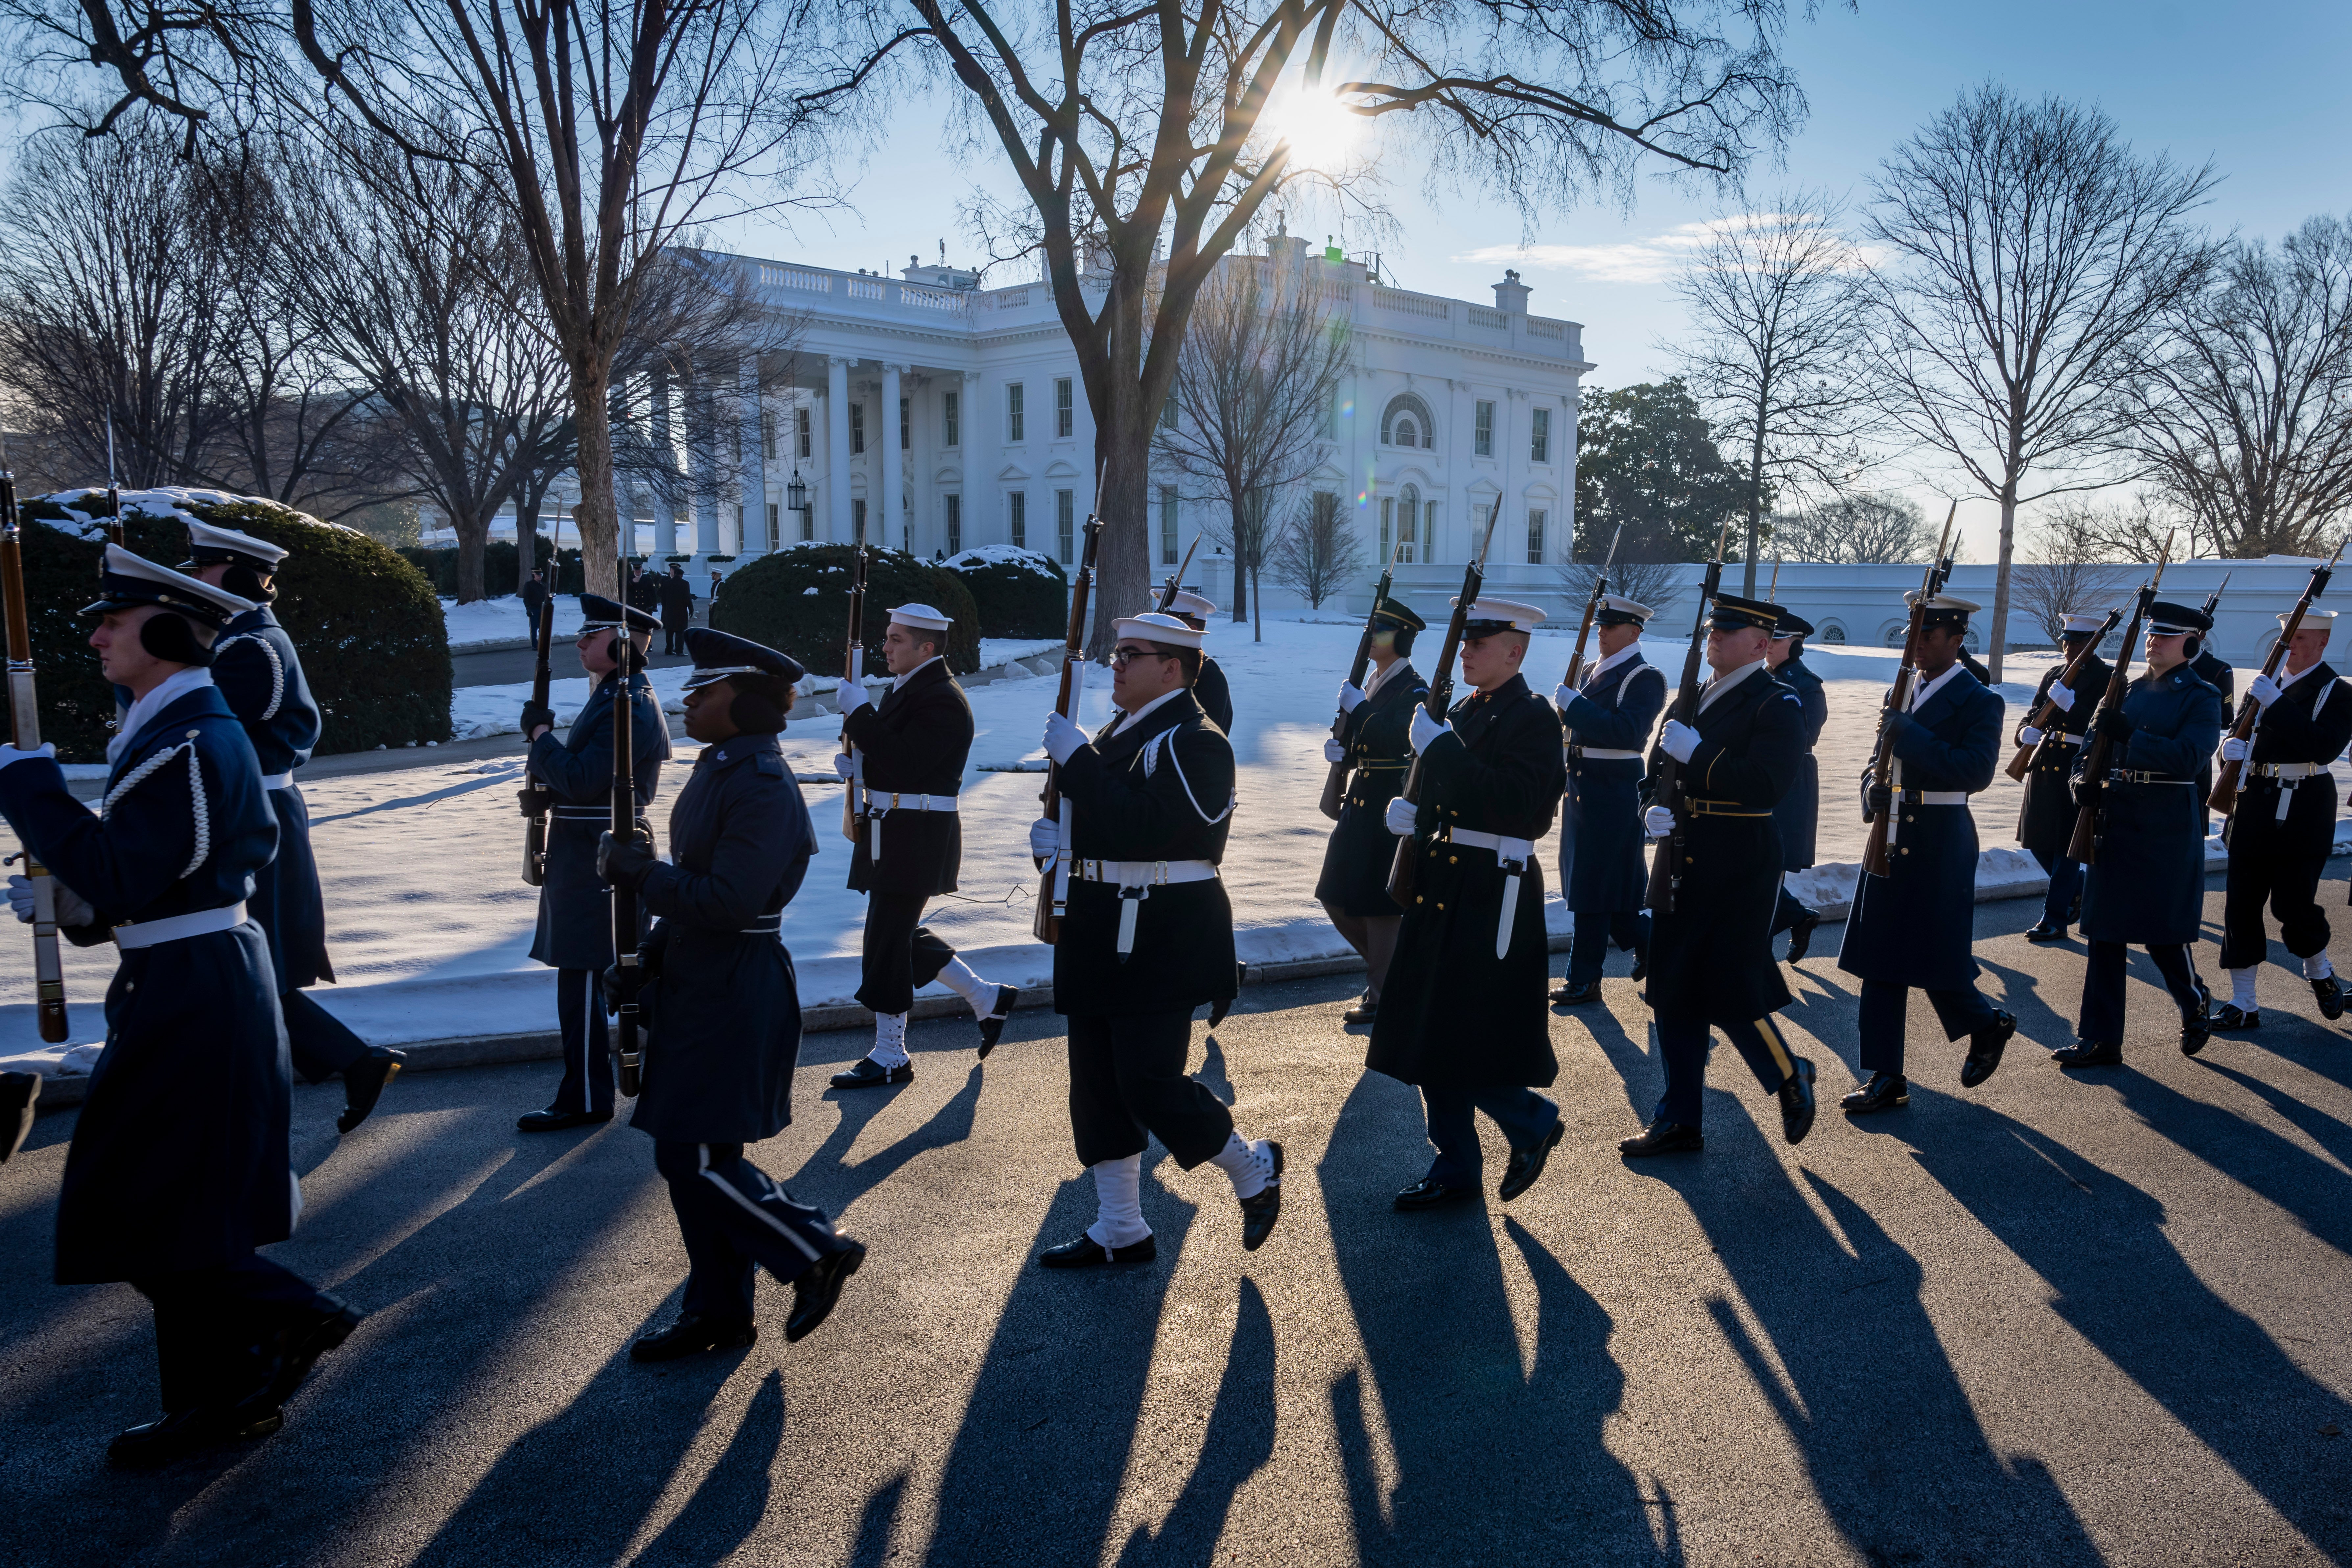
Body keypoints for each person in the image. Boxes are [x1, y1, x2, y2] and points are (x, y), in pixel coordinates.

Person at [0, 547, 362, 1468]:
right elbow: (146, 876)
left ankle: (289, 1317)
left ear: (165, 630)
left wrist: (34, 793)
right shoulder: (174, 729)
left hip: (196, 985)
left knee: (136, 1200)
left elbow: (127, 870)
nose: (94, 638)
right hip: (181, 973)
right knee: (177, 1202)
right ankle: (220, 1396)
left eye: (111, 623)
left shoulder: (197, 736)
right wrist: (77, 900)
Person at [599, 628, 867, 1358]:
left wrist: (641, 876)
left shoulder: (760, 786)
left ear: (745, 705)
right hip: (698, 974)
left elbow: (726, 900)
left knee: (694, 1161)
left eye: (705, 692)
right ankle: (718, 1312)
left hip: (732, 982)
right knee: (695, 1158)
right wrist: (647, 955)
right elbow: (696, 890)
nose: (688, 703)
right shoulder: (721, 769)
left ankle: (813, 1248)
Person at [1028, 610, 1281, 1266]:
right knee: (1095, 1085)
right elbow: (1099, 820)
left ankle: (1250, 1166)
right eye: (1113, 653)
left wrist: (1077, 761)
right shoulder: (1122, 732)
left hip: (1162, 930)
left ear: (1171, 667)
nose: (1113, 663)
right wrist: (1055, 846)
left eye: (1128, 654)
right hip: (1095, 922)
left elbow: (1149, 827)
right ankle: (1121, 1226)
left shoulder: (1199, 742)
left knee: (1147, 1080)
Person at [183, 520, 402, 1134]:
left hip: (259, 812)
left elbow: (204, 726)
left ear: (229, 573)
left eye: (201, 569)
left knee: (254, 961)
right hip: (256, 808)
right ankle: (354, 1062)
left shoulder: (249, 646)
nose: (192, 578)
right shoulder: (241, 638)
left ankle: (336, 1068)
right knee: (251, 962)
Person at [1369, 598, 1569, 1209]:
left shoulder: (1533, 717)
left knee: (1464, 1027)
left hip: (1493, 886)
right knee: (1430, 1026)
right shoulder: (1461, 709)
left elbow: (1516, 804)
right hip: (1444, 878)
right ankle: (1456, 1161)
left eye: (1481, 642)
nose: (1467, 650)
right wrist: (1412, 813)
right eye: (1466, 641)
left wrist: (1442, 752)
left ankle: (1528, 1117)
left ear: (1516, 650)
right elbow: (1447, 797)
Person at [1620, 592, 1817, 1158]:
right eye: (1712, 631)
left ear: (1760, 644)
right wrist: (1649, 809)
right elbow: (1652, 775)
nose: (1714, 639)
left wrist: (1701, 753)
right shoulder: (1688, 698)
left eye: (1727, 633)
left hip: (1740, 856)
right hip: (1683, 853)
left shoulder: (1777, 703)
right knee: (1673, 989)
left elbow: (1766, 785)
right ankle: (1679, 1118)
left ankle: (1788, 1074)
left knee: (1728, 984)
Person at [1835, 595, 2019, 1111]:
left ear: (1957, 640)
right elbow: (1878, 761)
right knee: (1881, 958)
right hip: (1890, 832)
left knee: (1936, 955)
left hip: (1940, 834)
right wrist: (1870, 787)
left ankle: (1987, 1024)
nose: (1916, 646)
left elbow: (1975, 771)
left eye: (1929, 636)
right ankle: (1885, 1074)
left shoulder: (1981, 700)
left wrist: (1909, 733)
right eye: (1912, 635)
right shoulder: (1905, 688)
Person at [830, 603, 1017, 1089]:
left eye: (895, 639)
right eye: (887, 637)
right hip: (891, 829)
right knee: (894, 933)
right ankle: (985, 997)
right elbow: (892, 755)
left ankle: (892, 1054)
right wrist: (860, 768)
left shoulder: (942, 698)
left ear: (926, 647)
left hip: (917, 835)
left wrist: (861, 714)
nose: (885, 647)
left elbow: (908, 760)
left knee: (886, 940)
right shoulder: (912, 688)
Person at [515, 593, 670, 1130]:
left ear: (622, 642)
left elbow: (585, 778)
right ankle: (607, 1087)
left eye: (593, 634)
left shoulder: (627, 700)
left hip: (597, 855)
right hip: (585, 848)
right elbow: (583, 781)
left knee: (586, 976)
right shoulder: (612, 695)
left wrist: (541, 740)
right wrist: (546, 794)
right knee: (589, 976)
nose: (580, 642)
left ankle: (586, 1096)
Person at [2057, 600, 2225, 1067]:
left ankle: (2193, 1003)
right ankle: (2100, 1037)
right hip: (2116, 816)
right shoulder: (2125, 689)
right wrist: (2080, 785)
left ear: (2191, 643)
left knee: (2163, 932)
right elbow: (2088, 749)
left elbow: (2189, 758)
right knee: (2105, 934)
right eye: (2153, 634)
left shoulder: (2201, 696)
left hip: (2164, 821)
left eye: (2167, 636)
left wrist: (2130, 735)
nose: (2154, 641)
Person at [2211, 611, 2352, 1030]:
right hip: (2253, 799)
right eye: (2286, 638)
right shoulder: (2263, 684)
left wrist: (2278, 704)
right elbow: (2238, 735)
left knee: (2293, 903)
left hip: (2305, 803)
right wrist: (2228, 752)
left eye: (2300, 639)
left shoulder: (2337, 692)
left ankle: (2320, 969)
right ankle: (2243, 1002)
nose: (2289, 646)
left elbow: (2324, 747)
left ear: (2323, 644)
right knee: (2241, 903)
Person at [1313, 597, 1428, 1026]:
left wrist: (1359, 709)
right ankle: (1396, 973)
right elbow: (1365, 738)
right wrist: (1341, 749)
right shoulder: (1377, 681)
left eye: (1378, 631)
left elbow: (1397, 738)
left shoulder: (1415, 689)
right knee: (1334, 892)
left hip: (1387, 807)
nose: (1369, 638)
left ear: (1398, 638)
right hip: (1359, 802)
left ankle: (1382, 993)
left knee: (1380, 907)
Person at [1548, 594, 1661, 1007]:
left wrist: (1575, 707)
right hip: (1582, 785)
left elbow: (1626, 732)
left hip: (1615, 788)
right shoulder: (1590, 670)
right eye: (1600, 626)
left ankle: (1584, 979)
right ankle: (1651, 941)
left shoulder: (1644, 677)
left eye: (1610, 627)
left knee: (1595, 889)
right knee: (1593, 885)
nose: (1602, 633)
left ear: (1633, 632)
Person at [2014, 614, 2111, 942]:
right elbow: (2033, 712)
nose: (2069, 647)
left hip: (2077, 764)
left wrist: (2073, 708)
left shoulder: (2108, 678)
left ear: (2091, 644)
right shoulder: (2053, 674)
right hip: (2044, 762)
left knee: (2066, 847)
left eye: (2077, 641)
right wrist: (2023, 732)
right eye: (2066, 640)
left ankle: (2054, 918)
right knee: (2036, 839)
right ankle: (2080, 890)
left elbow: (2105, 729)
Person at [1764, 612, 1828, 962]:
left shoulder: (1807, 685)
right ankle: (1797, 917)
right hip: (1756, 778)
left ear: (1796, 644)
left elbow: (1805, 736)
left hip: (1788, 782)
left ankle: (1758, 959)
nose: (1769, 646)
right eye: (1767, 638)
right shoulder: (1759, 678)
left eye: (1777, 639)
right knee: (1753, 866)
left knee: (1769, 867)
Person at [2191, 617, 2237, 839]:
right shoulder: (2158, 670)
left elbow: (2227, 718)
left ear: (2201, 637)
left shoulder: (2217, 670)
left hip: (2196, 758)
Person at [1164, 588, 1233, 733]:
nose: (1160, 630)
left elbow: (1205, 738)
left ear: (1192, 630)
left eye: (1167, 625)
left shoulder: (1208, 677)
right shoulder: (1166, 666)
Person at [659, 565, 694, 657]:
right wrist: (691, 609)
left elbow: (662, 597)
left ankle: (669, 650)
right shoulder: (685, 584)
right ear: (681, 575)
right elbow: (688, 598)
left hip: (669, 611)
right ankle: (679, 651)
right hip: (681, 612)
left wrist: (665, 608)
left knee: (669, 632)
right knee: (680, 632)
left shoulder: (667, 583)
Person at [521, 565, 549, 637]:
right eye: (538, 575)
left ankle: (543, 644)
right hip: (534, 609)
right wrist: (528, 609)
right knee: (534, 628)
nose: (540, 577)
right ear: (534, 575)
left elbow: (546, 597)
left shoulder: (543, 585)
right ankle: (535, 645)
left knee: (543, 628)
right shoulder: (529, 585)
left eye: (541, 575)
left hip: (543, 609)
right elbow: (526, 598)